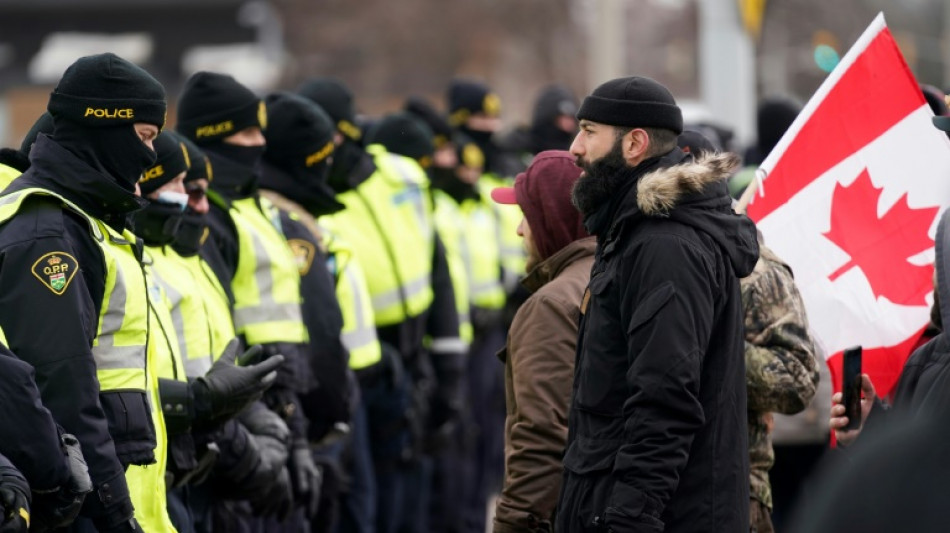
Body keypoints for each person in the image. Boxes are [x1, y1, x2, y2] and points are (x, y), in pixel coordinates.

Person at [557, 76, 758, 533]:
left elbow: (663, 404)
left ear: (635, 143)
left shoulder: (664, 246)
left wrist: (628, 519)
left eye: (589, 130)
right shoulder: (633, 231)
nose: (575, 147)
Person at [0, 52, 170, 533]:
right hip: (84, 503)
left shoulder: (87, 222)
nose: (151, 156)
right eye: (144, 137)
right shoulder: (48, 232)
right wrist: (113, 509)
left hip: (109, 483)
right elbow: (62, 383)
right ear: (106, 129)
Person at [299, 77, 465, 533]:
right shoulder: (313, 201)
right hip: (354, 368)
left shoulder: (404, 175)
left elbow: (439, 272)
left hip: (413, 357)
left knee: (411, 493)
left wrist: (449, 366)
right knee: (362, 503)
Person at [177, 71, 308, 525]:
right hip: (246, 407)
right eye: (245, 132)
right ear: (214, 135)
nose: (258, 144)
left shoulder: (252, 206)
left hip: (278, 400)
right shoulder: (205, 217)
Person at [487, 150, 593, 533]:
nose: (519, 229)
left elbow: (542, 440)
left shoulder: (551, 306)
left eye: (526, 214)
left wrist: (512, 524)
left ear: (551, 218)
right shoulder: (620, 275)